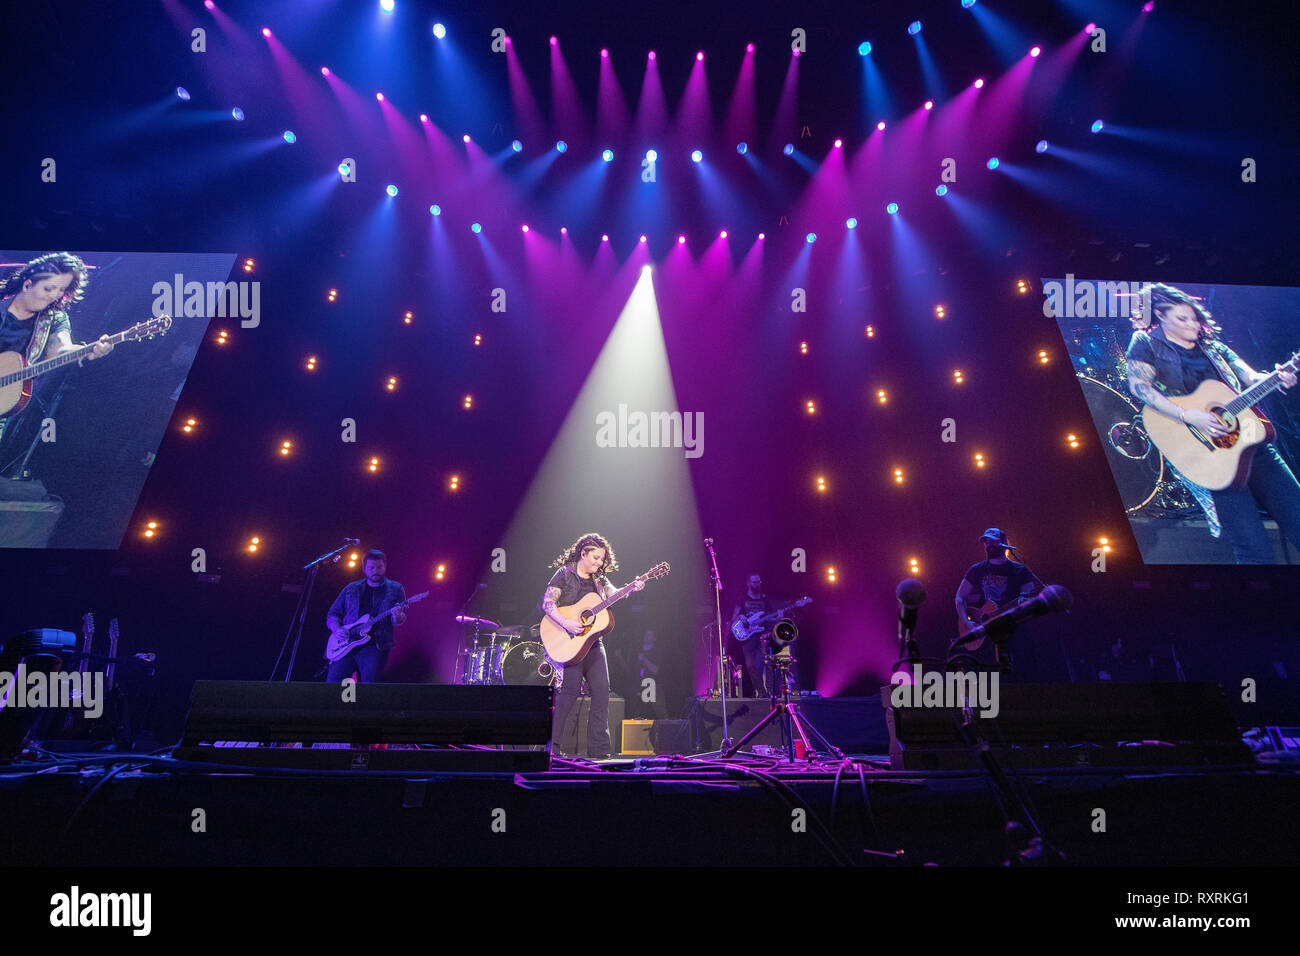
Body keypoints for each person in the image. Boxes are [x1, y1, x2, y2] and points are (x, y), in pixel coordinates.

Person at [1125, 283, 1300, 563]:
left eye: (1194, 317)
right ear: (1159, 315)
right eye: (1182, 318)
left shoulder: (1212, 346)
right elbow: (1139, 387)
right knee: (1253, 547)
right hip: (1211, 457)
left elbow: (1251, 378)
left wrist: (1278, 377)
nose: (1192, 323)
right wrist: (1188, 415)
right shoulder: (1146, 343)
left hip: (1253, 444)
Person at [539, 532, 643, 759]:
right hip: (568, 641)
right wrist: (567, 622)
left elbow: (613, 594)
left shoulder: (600, 579)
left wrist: (631, 588)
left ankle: (599, 751)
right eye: (595, 558)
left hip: (594, 644)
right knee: (569, 692)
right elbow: (547, 603)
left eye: (602, 559)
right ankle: (552, 748)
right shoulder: (564, 575)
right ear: (582, 554)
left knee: (602, 691)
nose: (599, 563)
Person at [0, 252, 114, 441]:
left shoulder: (53, 320)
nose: (54, 295)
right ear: (28, 283)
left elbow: (61, 350)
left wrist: (87, 351)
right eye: (49, 288)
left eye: (62, 289)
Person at [955, 528, 1041, 677]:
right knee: (990, 673)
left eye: (992, 541)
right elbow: (960, 598)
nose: (988, 545)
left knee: (1024, 670)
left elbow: (1028, 598)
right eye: (986, 542)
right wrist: (967, 622)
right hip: (986, 628)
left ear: (1003, 543)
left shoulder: (1020, 570)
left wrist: (1024, 603)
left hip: (1014, 627)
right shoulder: (977, 570)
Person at [325, 550, 407, 683]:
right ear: (364, 568)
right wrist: (337, 629)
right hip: (346, 644)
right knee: (334, 684)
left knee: (369, 688)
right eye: (371, 568)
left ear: (385, 566)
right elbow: (333, 614)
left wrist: (397, 616)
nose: (376, 571)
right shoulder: (351, 588)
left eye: (379, 567)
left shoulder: (395, 588)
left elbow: (399, 619)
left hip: (375, 645)